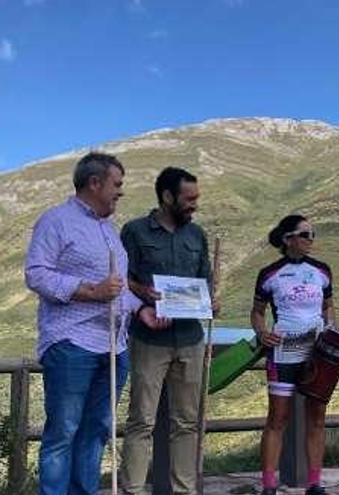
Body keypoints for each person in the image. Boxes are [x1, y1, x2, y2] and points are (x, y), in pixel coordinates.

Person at [25, 151, 164, 495]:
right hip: (72, 344)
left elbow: (116, 289)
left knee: (97, 430)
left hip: (114, 346)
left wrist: (140, 309)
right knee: (63, 431)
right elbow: (36, 274)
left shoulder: (110, 231)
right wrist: (88, 291)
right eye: (117, 185)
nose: (121, 192)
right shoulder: (55, 221)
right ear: (94, 182)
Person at [119, 166, 216, 495]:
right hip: (149, 341)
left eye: (197, 199)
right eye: (189, 199)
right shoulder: (134, 231)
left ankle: (184, 490)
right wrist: (144, 296)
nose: (194, 205)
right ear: (167, 197)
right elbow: (122, 280)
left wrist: (208, 303)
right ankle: (132, 490)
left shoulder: (197, 235)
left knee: (187, 422)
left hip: (190, 339)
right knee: (141, 421)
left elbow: (205, 282)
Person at [251, 214, 336, 495]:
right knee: (278, 417)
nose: (312, 240)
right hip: (283, 353)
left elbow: (328, 307)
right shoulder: (269, 273)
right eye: (306, 234)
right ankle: (268, 485)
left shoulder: (322, 270)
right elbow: (257, 312)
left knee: (317, 416)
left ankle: (314, 482)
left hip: (315, 353)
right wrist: (263, 333)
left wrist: (332, 329)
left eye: (313, 234)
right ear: (289, 239)